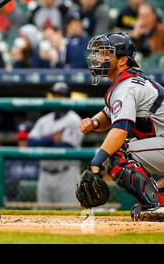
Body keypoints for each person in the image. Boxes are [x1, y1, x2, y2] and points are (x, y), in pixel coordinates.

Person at [78, 32, 164, 221]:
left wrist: (96, 161)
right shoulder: (126, 83)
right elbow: (109, 116)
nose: (99, 58)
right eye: (99, 53)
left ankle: (156, 204)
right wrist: (94, 122)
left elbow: (120, 129)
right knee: (120, 149)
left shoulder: (126, 87)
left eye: (106, 54)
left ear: (123, 60)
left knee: (118, 153)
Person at [27, 82, 83, 205]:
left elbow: (66, 146)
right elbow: (30, 142)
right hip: (44, 174)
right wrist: (52, 139)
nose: (57, 99)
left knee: (70, 217)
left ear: (68, 98)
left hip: (67, 174)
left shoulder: (74, 120)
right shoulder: (44, 120)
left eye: (61, 96)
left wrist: (42, 141)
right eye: (55, 95)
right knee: (43, 217)